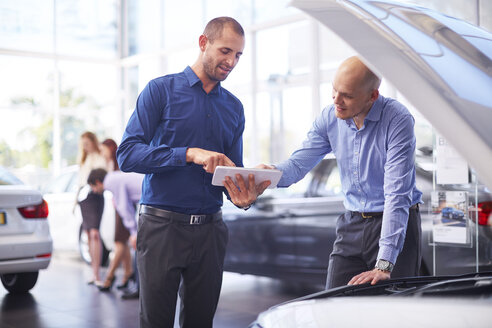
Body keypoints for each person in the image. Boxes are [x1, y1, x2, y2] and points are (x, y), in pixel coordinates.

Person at [117, 16, 269, 328]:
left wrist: (245, 193)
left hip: (211, 231)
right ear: (203, 43)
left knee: (201, 322)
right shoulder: (160, 91)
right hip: (162, 228)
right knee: (156, 322)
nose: (231, 62)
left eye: (238, 55)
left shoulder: (234, 108)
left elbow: (231, 174)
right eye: (226, 51)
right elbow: (127, 154)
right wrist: (188, 154)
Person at [258, 56, 423, 289]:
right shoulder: (329, 118)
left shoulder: (397, 119)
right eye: (334, 91)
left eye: (347, 95)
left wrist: (384, 264)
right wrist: (268, 174)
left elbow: (396, 194)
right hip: (352, 222)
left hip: (394, 221)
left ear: (372, 96)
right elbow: (297, 165)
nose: (337, 100)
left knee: (393, 311)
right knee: (334, 300)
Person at [87, 168, 144, 299]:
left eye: (93, 187)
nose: (94, 191)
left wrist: (134, 232)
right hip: (149, 199)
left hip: (149, 201)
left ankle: (138, 289)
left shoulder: (110, 182)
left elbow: (124, 206)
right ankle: (136, 285)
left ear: (97, 182)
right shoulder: (113, 177)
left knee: (139, 250)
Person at [96, 139, 133, 292]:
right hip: (118, 206)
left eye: (103, 149)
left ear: (111, 149)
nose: (102, 153)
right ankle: (128, 273)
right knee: (121, 241)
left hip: (125, 205)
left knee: (119, 242)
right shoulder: (110, 165)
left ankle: (110, 277)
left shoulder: (120, 162)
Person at [77, 131, 107, 285]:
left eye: (87, 144)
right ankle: (94, 272)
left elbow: (103, 177)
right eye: (83, 144)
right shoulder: (84, 159)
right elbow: (80, 182)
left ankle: (98, 274)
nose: (85, 147)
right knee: (89, 234)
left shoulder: (101, 158)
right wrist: (74, 202)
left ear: (93, 142)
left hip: (96, 197)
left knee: (95, 233)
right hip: (84, 199)